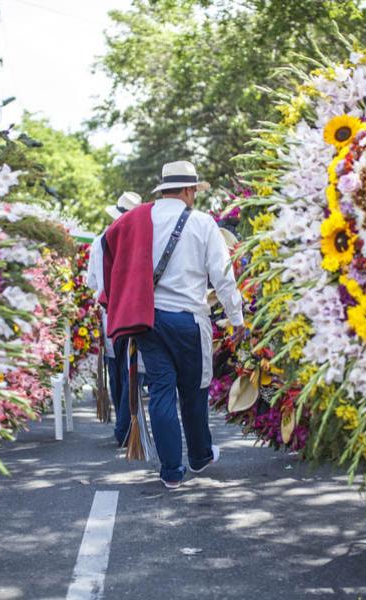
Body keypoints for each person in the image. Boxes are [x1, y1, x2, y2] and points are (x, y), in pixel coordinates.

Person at [103, 160, 244, 489]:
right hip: (188, 320)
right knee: (194, 392)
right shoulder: (202, 223)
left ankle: (170, 471)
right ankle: (198, 456)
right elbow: (222, 275)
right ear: (187, 190)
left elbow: (109, 245)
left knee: (162, 392)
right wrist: (236, 318)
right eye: (194, 190)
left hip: (148, 318)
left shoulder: (138, 219)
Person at [87, 191, 141, 446]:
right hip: (132, 311)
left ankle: (123, 428)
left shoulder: (99, 241)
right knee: (130, 370)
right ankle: (125, 426)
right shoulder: (139, 240)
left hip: (109, 313)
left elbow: (92, 282)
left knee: (115, 367)